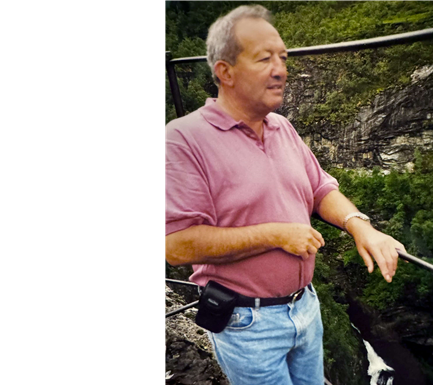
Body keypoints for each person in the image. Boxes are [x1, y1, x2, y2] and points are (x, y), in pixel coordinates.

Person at [165, 5, 406, 385]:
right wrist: (276, 234)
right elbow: (176, 246)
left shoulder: (282, 127)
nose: (281, 70)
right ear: (224, 72)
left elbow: (320, 187)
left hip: (306, 306)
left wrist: (361, 226)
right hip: (247, 323)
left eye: (283, 58)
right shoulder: (183, 139)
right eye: (264, 59)